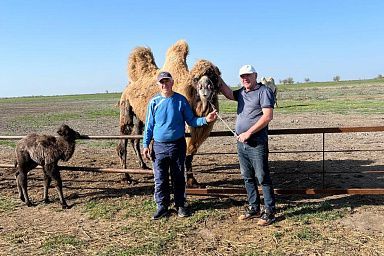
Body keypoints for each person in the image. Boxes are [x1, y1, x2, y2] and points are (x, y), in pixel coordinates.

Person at [142, 71, 217, 220]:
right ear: (159, 84)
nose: (164, 85)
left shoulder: (181, 100)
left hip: (177, 145)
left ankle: (180, 205)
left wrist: (205, 120)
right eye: (161, 82)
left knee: (178, 177)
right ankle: (162, 206)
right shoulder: (154, 102)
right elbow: (149, 126)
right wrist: (145, 145)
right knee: (160, 179)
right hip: (158, 147)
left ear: (172, 82)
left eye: (167, 81)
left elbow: (191, 121)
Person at [220, 64, 276, 226]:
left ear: (255, 75)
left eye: (248, 76)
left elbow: (267, 117)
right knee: (247, 176)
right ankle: (254, 207)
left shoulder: (264, 92)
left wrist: (249, 133)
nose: (245, 79)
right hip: (241, 143)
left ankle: (270, 211)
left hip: (256, 142)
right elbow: (229, 94)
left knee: (262, 176)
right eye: (242, 76)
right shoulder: (242, 93)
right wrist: (217, 77)